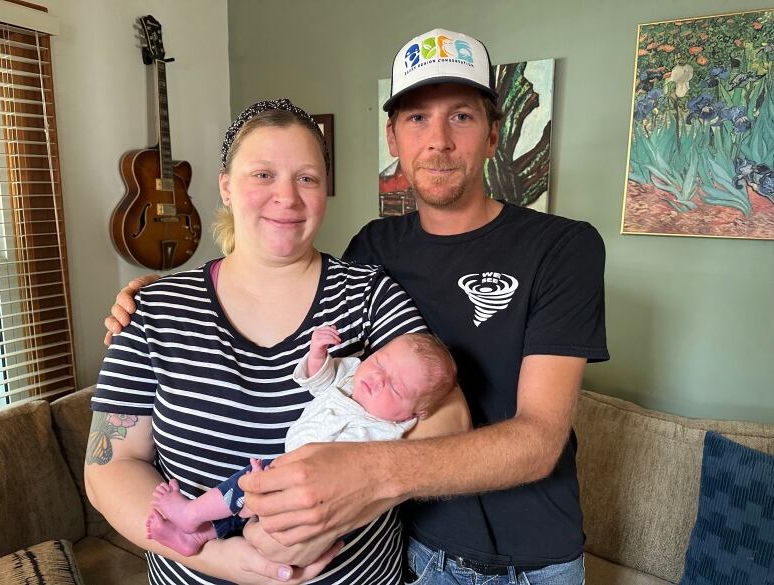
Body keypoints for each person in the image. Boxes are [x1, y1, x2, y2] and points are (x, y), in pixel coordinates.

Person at [105, 28, 609, 585]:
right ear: (392, 136)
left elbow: (535, 438)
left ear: (494, 135)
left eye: (461, 117)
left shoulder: (559, 248)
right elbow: (111, 465)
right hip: (421, 544)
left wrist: (361, 478)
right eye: (417, 118)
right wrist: (151, 297)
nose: (438, 139)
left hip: (527, 553)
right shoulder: (375, 250)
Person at [86, 98, 469, 585]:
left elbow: (451, 417)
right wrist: (217, 559)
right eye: (262, 175)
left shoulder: (368, 293)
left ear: (326, 191)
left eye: (307, 178)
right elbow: (108, 466)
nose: (286, 197)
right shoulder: (156, 310)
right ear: (226, 187)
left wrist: (349, 497)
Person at [146, 327, 460, 558]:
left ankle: (191, 514)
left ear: (415, 413)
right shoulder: (353, 373)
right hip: (288, 465)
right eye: (379, 362)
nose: (376, 378)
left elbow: (355, 469)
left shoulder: (385, 431)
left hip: (311, 484)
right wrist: (318, 355)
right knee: (246, 505)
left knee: (244, 486)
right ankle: (198, 538)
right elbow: (319, 382)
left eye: (395, 387)